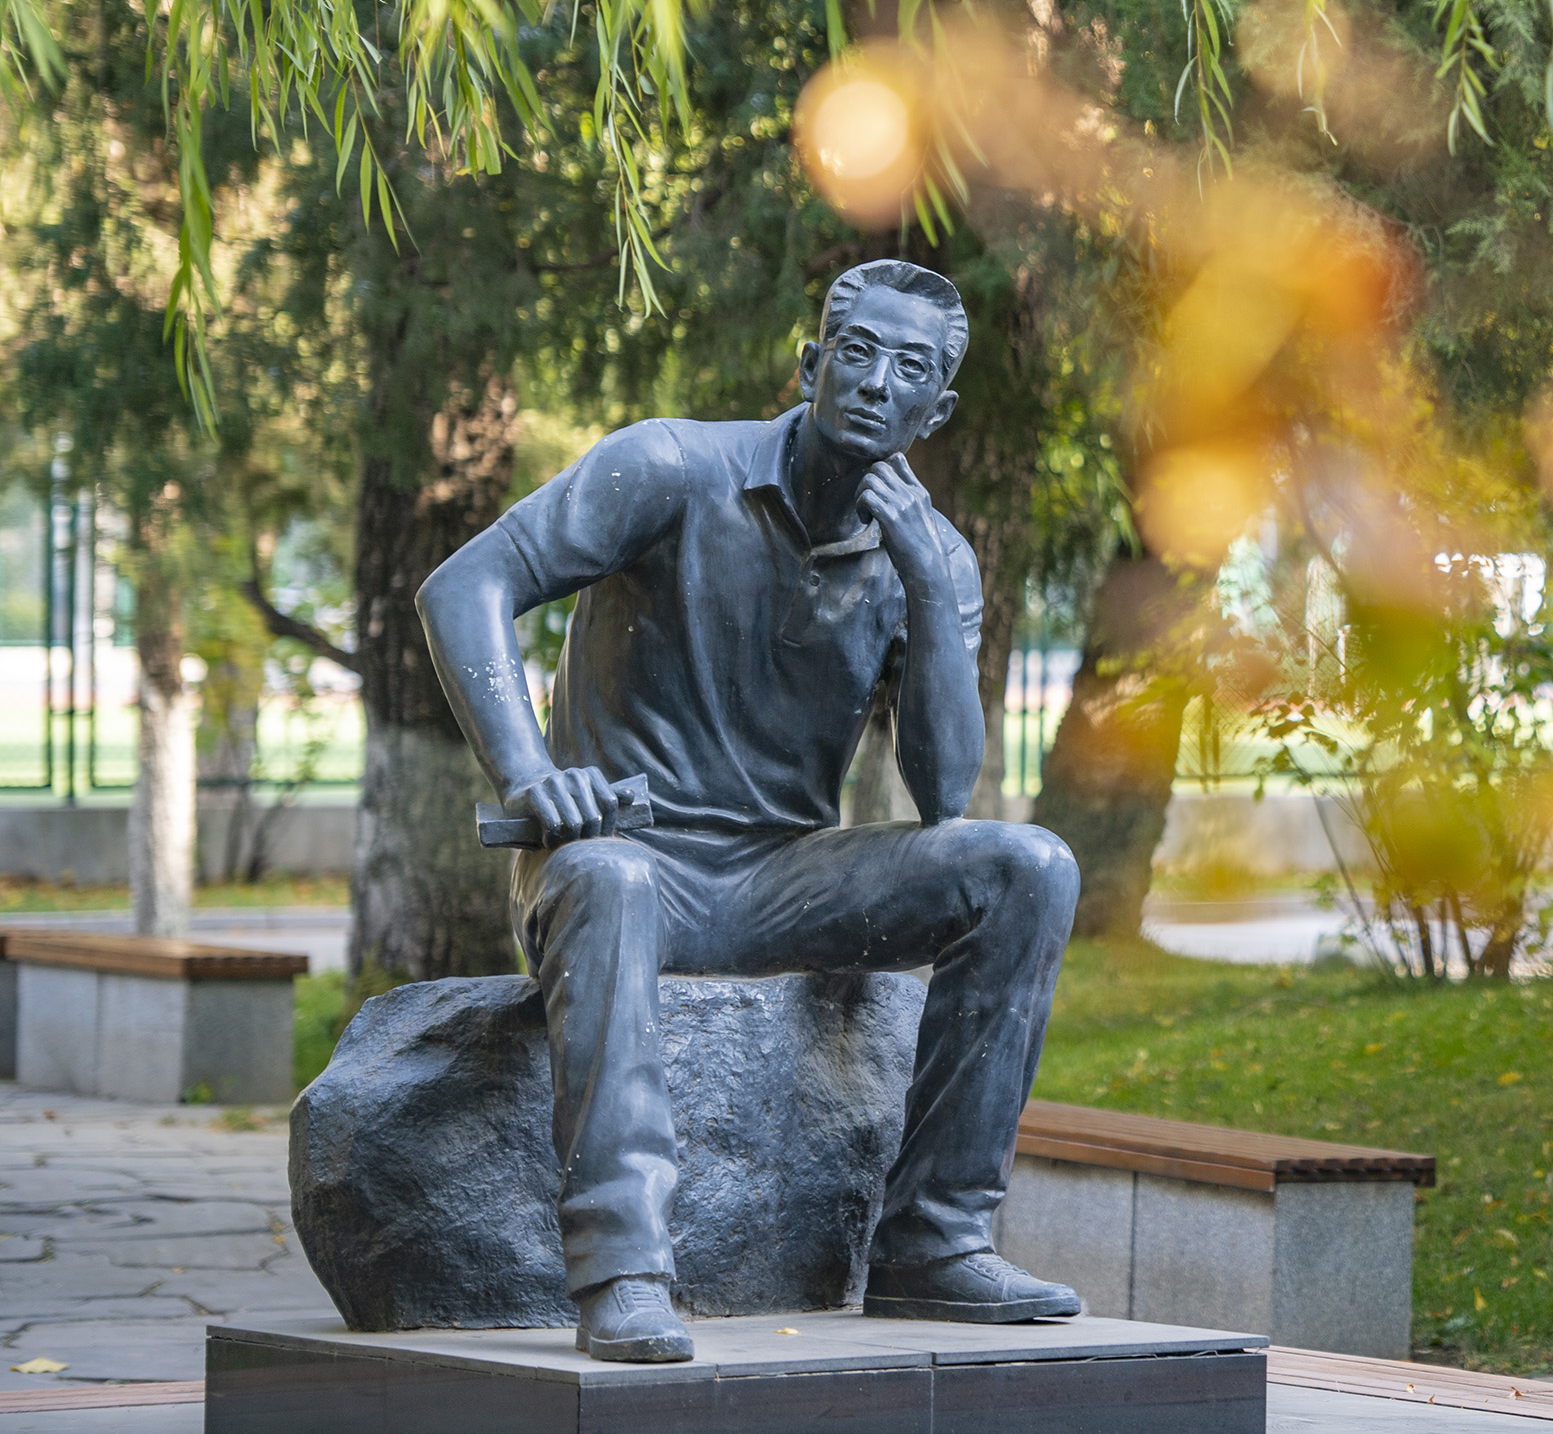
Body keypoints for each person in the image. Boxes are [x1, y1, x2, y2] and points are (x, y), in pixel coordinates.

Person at [416, 261, 1082, 1363]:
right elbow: (465, 586)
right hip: (617, 855)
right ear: (811, 364)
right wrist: (528, 773)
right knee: (611, 877)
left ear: (937, 410)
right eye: (856, 351)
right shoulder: (670, 465)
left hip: (783, 876)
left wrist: (926, 585)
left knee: (1031, 866)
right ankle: (623, 1270)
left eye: (910, 367)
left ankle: (934, 1240)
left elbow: (944, 791)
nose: (876, 381)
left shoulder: (933, 558)